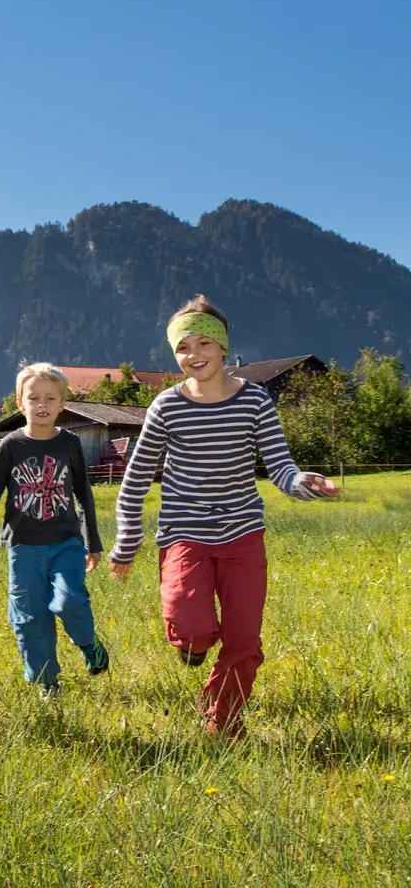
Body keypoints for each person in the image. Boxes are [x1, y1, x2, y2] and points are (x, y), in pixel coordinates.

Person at [108, 295, 339, 736]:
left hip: (242, 533)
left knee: (244, 640)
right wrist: (125, 541)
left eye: (203, 344)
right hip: (184, 534)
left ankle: (223, 720)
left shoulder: (254, 401)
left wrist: (303, 483)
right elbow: (135, 480)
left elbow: (280, 466)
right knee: (192, 627)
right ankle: (191, 645)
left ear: (223, 346)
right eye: (182, 348)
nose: (193, 355)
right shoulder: (166, 407)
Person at [0, 363, 109, 695]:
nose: (42, 404)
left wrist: (92, 542)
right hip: (23, 547)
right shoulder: (11, 445)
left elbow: (83, 494)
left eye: (51, 398)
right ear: (20, 403)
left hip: (66, 544)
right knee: (30, 618)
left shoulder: (70, 444)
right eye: (33, 397)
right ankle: (48, 683)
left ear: (62, 403)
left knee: (69, 603)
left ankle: (88, 642)